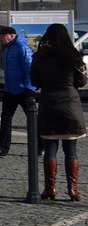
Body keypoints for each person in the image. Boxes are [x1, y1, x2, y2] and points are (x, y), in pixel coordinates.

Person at [31, 24, 87, 201]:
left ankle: (50, 188)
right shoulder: (73, 56)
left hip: (49, 102)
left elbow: (34, 81)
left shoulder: (39, 56)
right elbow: (83, 80)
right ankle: (72, 189)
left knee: (50, 149)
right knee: (71, 150)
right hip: (70, 104)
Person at [0, 26, 35, 158]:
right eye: (1, 35)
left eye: (4, 35)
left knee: (32, 119)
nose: (1, 38)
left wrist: (29, 89)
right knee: (6, 119)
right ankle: (2, 148)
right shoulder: (7, 49)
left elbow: (29, 68)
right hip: (10, 89)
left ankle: (40, 145)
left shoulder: (22, 47)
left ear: (12, 35)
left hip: (24, 90)